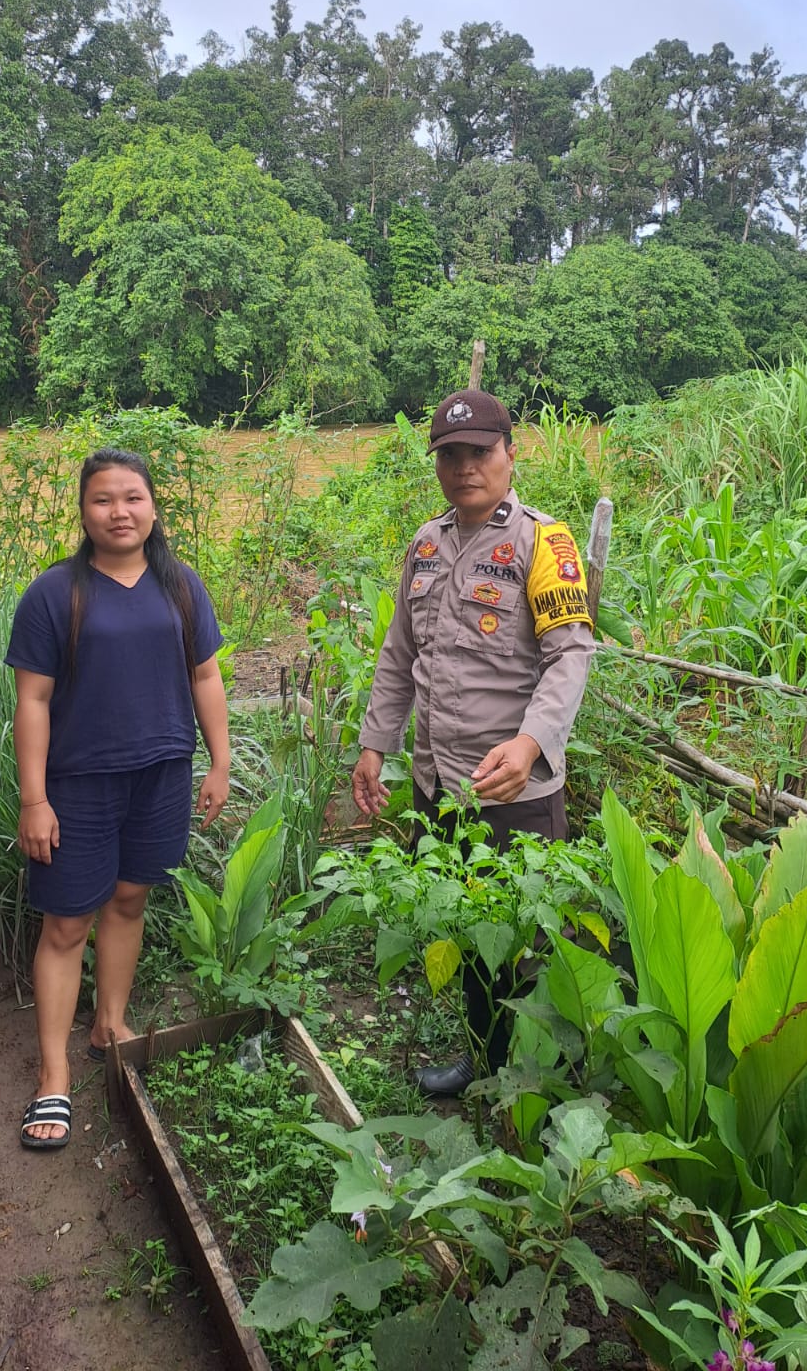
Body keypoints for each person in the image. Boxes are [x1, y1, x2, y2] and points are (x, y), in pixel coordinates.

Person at [352, 389, 595, 1095]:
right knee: (466, 928)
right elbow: (400, 654)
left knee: (525, 944)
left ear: (510, 454)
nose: (465, 468)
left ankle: (540, 1086)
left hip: (512, 786)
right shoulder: (427, 545)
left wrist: (530, 746)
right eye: (450, 456)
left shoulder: (542, 543)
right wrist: (376, 744)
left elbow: (569, 656)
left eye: (480, 452)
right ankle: (483, 1061)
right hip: (440, 784)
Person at [6, 448, 230, 1149]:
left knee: (129, 901)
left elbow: (206, 677)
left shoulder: (181, 587)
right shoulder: (54, 594)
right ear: (83, 511)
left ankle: (110, 1022)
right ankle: (53, 1077)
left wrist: (219, 761)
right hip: (77, 785)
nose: (119, 512)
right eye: (103, 500)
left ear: (154, 506)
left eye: (132, 497)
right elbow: (32, 700)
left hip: (161, 773)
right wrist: (34, 799)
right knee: (67, 925)